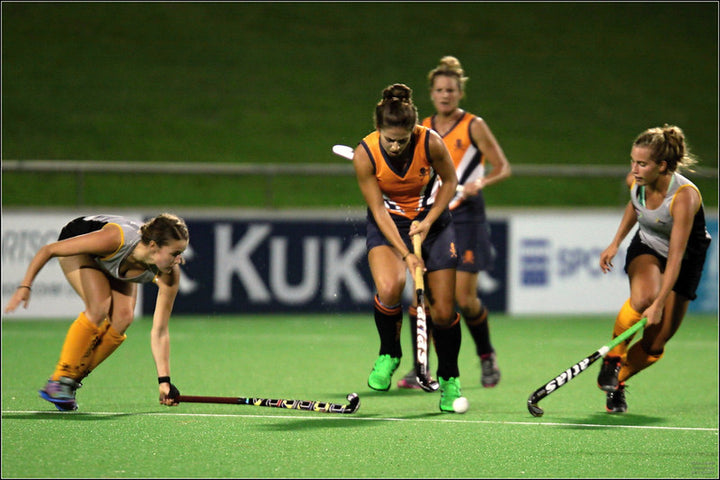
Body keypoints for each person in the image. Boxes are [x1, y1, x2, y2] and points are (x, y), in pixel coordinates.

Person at [397, 56, 511, 390]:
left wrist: (482, 183)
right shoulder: (423, 129)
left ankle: (486, 355)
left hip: (468, 215)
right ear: (431, 94)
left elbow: (502, 166)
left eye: (451, 90)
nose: (445, 95)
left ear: (460, 93)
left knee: (465, 296)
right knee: (425, 295)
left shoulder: (474, 125)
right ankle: (421, 367)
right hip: (435, 214)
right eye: (439, 90)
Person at [351, 83, 464, 412]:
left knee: (442, 311)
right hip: (390, 223)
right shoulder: (365, 154)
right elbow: (378, 211)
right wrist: (407, 254)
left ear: (413, 130)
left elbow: (451, 182)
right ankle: (390, 353)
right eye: (390, 140)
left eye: (403, 140)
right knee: (390, 286)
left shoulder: (431, 142)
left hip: (434, 223)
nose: (397, 146)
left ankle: (449, 379)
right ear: (378, 130)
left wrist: (428, 221)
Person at [4, 213, 190, 411]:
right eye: (175, 253)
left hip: (113, 260)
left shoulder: (169, 275)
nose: (179, 260)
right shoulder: (115, 239)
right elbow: (48, 250)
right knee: (99, 306)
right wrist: (25, 286)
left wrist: (164, 381)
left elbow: (160, 331)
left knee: (123, 317)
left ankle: (70, 382)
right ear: (153, 246)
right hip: (83, 246)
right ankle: (60, 380)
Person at [597, 125, 711, 413]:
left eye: (642, 163)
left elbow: (676, 255)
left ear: (661, 166)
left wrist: (661, 304)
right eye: (633, 161)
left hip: (684, 260)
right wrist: (615, 243)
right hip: (647, 246)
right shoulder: (636, 180)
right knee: (644, 297)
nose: (635, 169)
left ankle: (618, 380)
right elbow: (635, 206)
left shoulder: (683, 197)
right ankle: (613, 357)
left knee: (657, 341)